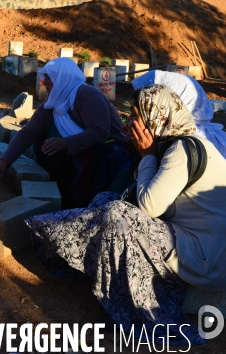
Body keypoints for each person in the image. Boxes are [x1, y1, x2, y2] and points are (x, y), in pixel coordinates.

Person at [25, 84, 226, 346]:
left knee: (118, 213)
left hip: (204, 259)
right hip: (193, 245)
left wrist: (147, 155)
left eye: (135, 115)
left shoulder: (182, 150)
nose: (128, 121)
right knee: (107, 200)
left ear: (157, 117)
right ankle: (61, 242)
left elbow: (148, 207)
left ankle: (129, 303)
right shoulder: (175, 145)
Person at [0, 57, 137, 208]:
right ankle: (58, 194)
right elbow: (28, 133)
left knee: (87, 158)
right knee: (41, 144)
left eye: (49, 78)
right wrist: (3, 163)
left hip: (108, 151)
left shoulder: (88, 95)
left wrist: (64, 143)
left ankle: (77, 204)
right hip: (78, 155)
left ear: (62, 78)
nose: (44, 83)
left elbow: (100, 132)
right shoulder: (52, 103)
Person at [132, 69, 226, 159]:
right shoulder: (160, 138)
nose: (130, 120)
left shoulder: (185, 148)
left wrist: (147, 155)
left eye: (146, 107)